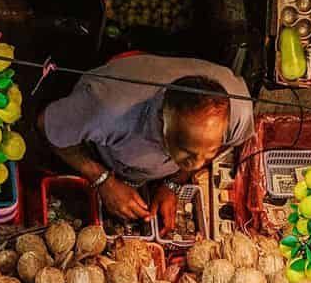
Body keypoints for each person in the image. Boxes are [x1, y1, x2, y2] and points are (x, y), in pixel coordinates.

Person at [38, 53, 253, 235]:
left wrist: (173, 183)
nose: (198, 165)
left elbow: (228, 144)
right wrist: (102, 179)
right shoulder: (109, 111)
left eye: (210, 151)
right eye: (187, 153)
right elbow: (45, 126)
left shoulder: (238, 111)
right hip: (98, 137)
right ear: (161, 122)